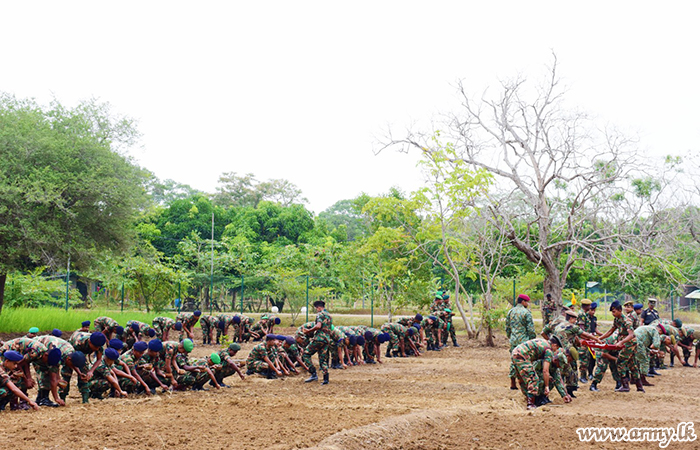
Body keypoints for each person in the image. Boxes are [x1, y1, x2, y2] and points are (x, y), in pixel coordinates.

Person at [598, 301, 639, 393]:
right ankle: (639, 387)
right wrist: (599, 338)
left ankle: (625, 386)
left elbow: (631, 335)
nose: (613, 314)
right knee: (632, 364)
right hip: (625, 343)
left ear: (620, 310)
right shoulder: (617, 319)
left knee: (620, 362)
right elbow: (611, 331)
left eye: (614, 311)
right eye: (612, 312)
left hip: (629, 343)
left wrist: (621, 342)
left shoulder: (626, 320)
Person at [511, 337, 562, 410]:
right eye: (556, 348)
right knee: (534, 378)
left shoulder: (543, 341)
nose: (556, 350)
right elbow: (545, 370)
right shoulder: (549, 350)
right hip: (522, 355)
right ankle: (530, 404)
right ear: (554, 345)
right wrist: (547, 386)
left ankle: (529, 398)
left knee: (522, 378)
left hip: (515, 352)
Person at [506, 294, 536, 390]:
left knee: (513, 360)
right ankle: (525, 382)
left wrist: (510, 336)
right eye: (526, 302)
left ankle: (512, 382)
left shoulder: (511, 311)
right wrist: (532, 340)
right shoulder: (526, 312)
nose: (527, 304)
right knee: (525, 361)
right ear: (523, 302)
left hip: (513, 339)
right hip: (524, 341)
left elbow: (507, 327)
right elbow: (530, 329)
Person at [302, 300, 333, 385]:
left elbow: (318, 326)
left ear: (319, 307)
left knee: (306, 354)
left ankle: (313, 374)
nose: (317, 310)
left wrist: (308, 331)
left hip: (319, 338)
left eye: (316, 308)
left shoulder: (320, 314)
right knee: (323, 359)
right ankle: (326, 379)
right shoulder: (329, 315)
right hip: (327, 339)